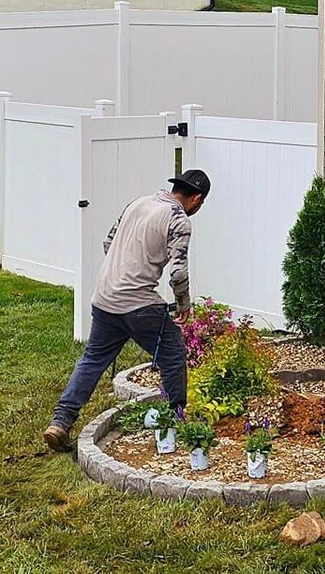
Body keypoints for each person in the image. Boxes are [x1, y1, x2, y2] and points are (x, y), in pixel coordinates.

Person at [42, 169, 210, 452]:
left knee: (93, 359)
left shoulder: (138, 203)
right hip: (139, 303)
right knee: (172, 354)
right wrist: (184, 305)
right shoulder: (178, 219)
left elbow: (108, 243)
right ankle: (175, 421)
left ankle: (60, 421)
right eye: (200, 204)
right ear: (196, 199)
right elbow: (178, 273)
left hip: (105, 298)